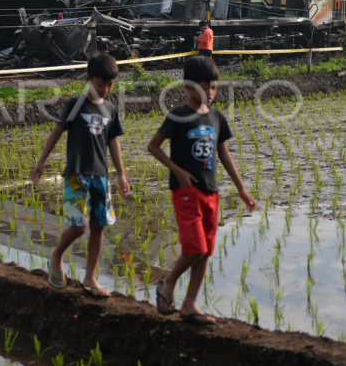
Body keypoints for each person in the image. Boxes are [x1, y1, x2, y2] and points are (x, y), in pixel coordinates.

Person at [147, 56, 256, 324]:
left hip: (211, 191)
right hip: (185, 191)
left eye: (213, 87)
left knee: (206, 250)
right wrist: (179, 171)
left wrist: (241, 188)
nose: (209, 92)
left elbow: (224, 154)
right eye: (203, 86)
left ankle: (190, 305)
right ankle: (167, 283)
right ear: (187, 87)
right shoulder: (178, 116)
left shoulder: (217, 117)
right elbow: (153, 146)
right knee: (195, 246)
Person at [31, 53, 130, 298]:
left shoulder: (110, 109)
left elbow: (113, 142)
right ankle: (56, 256)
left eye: (110, 85)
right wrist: (41, 162)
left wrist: (121, 175)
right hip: (76, 174)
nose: (106, 89)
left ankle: (90, 277)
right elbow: (56, 132)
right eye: (101, 84)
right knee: (78, 227)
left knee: (99, 227)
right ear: (88, 80)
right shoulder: (75, 104)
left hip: (101, 176)